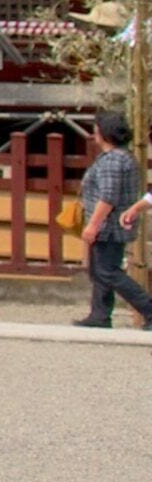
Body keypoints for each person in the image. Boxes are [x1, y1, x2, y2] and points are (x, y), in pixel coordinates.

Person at [77, 109, 150, 329]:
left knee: (108, 271)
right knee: (101, 269)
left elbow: (108, 197)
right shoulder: (120, 157)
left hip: (109, 225)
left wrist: (93, 224)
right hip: (113, 224)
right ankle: (99, 314)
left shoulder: (113, 161)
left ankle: (148, 308)